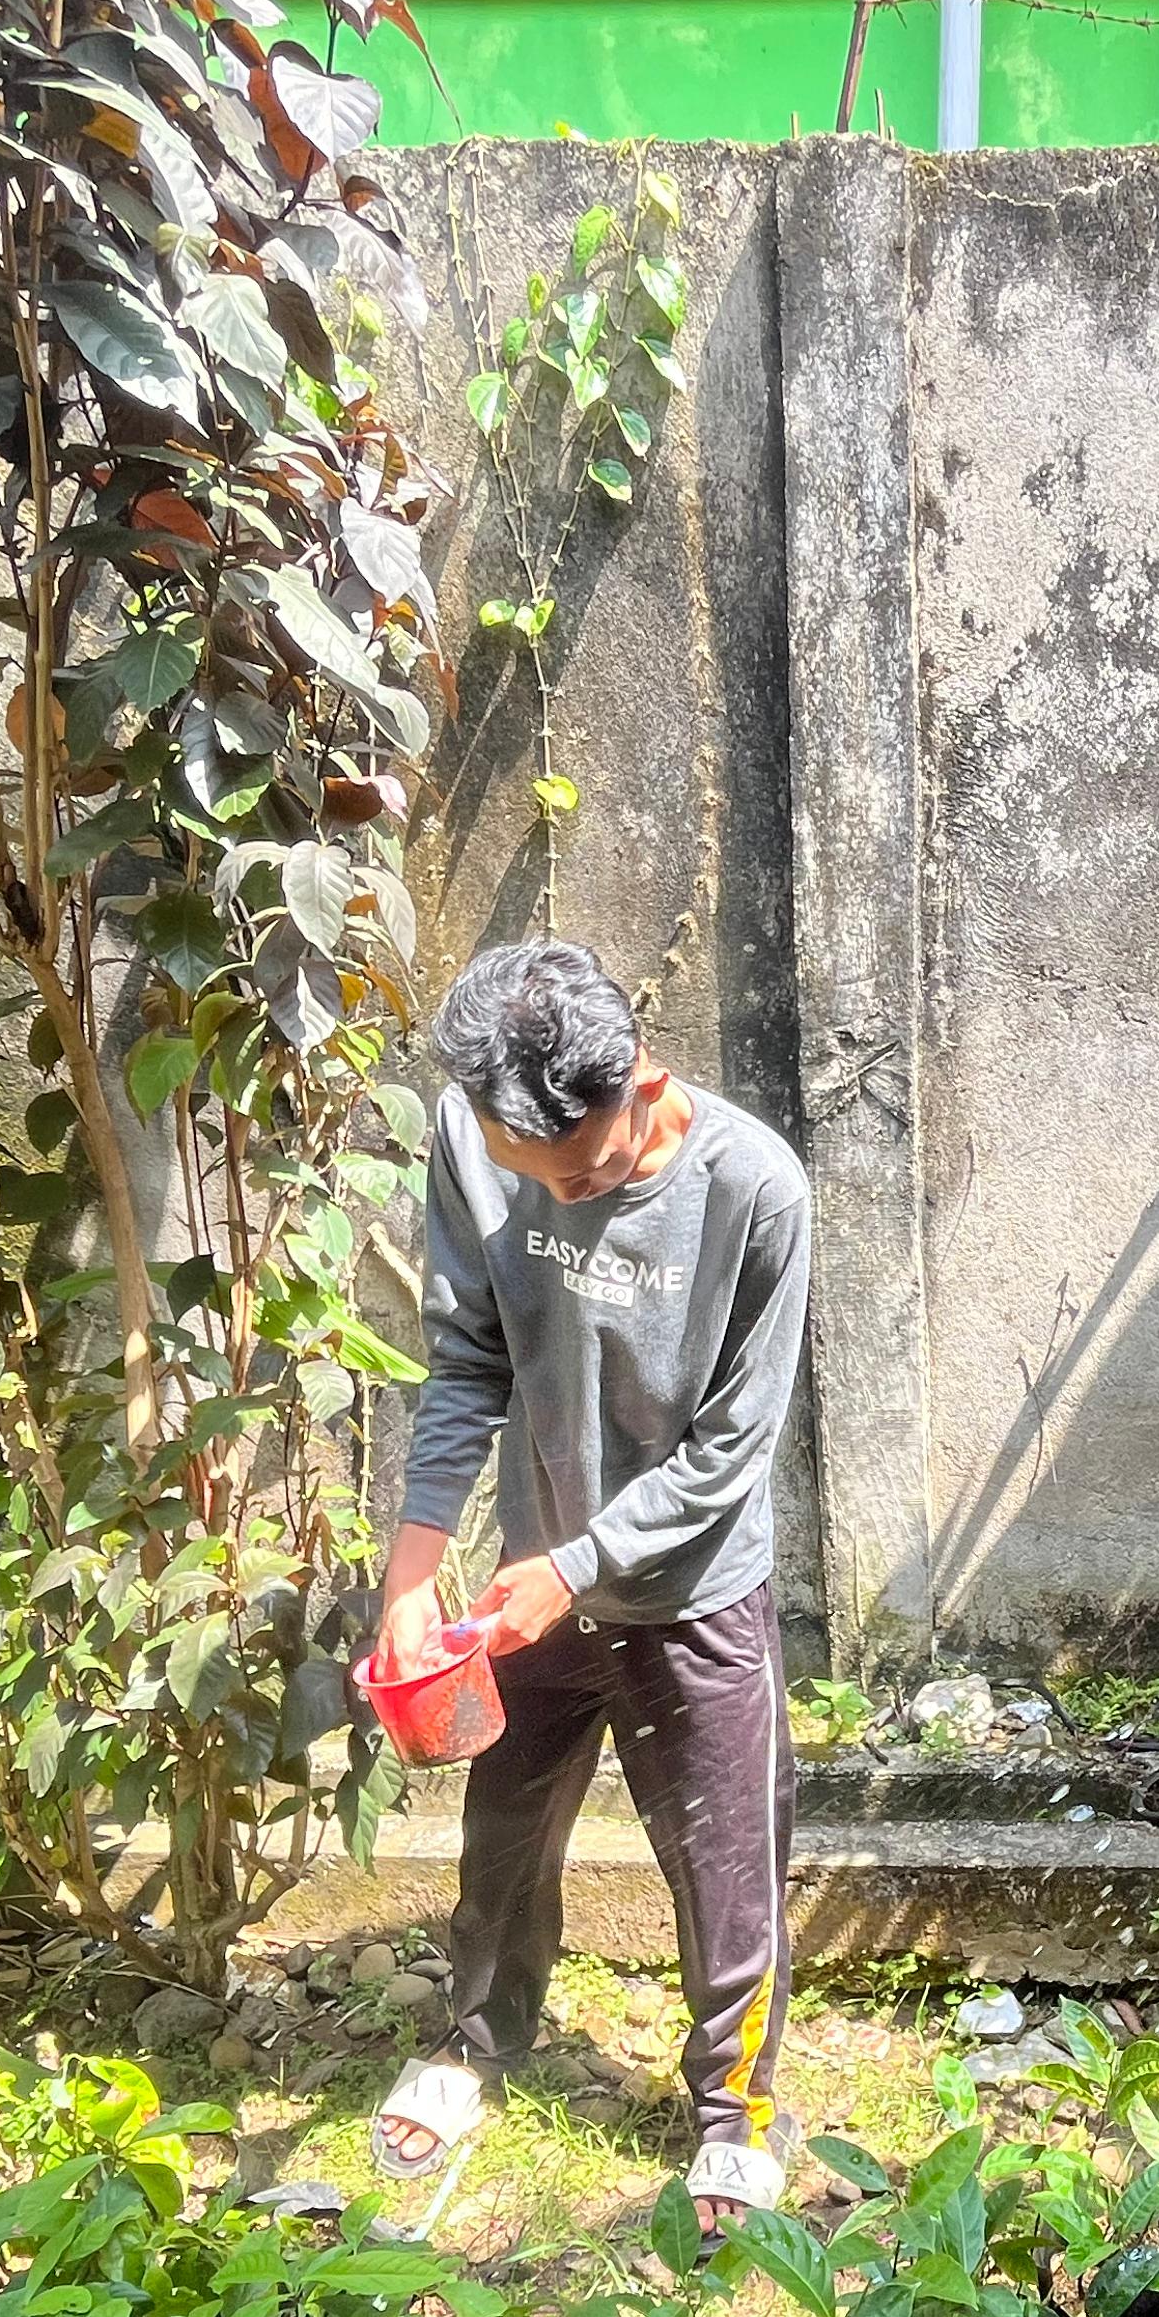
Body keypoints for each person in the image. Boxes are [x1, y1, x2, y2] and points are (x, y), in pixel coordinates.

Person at [367, 941, 814, 2232]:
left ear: (641, 1079)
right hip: (531, 1582)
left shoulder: (755, 1192)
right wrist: (409, 1580)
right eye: (538, 1178)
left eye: (591, 1169)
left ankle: (736, 2112)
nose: (566, 1192)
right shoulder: (469, 1135)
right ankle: (475, 2044)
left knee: (729, 1863)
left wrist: (576, 1567)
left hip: (692, 1587)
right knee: (502, 1838)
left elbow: (733, 1453)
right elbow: (467, 1362)